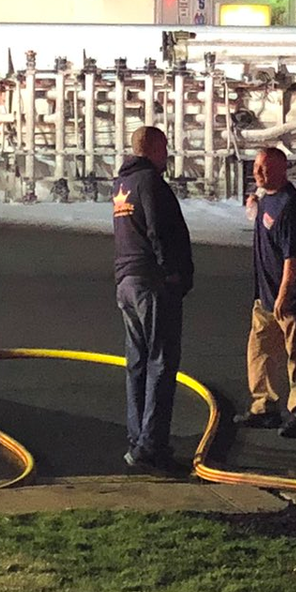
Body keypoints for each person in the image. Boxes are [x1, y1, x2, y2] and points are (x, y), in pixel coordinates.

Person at [111, 124, 193, 473]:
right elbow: (160, 230)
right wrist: (173, 272)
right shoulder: (150, 183)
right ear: (156, 149)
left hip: (126, 281)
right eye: (165, 148)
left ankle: (138, 438)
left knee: (138, 363)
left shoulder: (122, 185)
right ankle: (152, 445)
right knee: (161, 362)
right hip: (152, 283)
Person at [236, 147, 296, 438]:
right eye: (256, 167)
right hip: (265, 297)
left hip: (290, 300)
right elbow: (262, 221)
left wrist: (284, 295)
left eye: (264, 168)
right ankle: (264, 407)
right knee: (259, 351)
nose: (257, 173)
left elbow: (292, 259)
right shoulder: (267, 199)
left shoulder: (289, 207)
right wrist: (253, 205)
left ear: (282, 169)